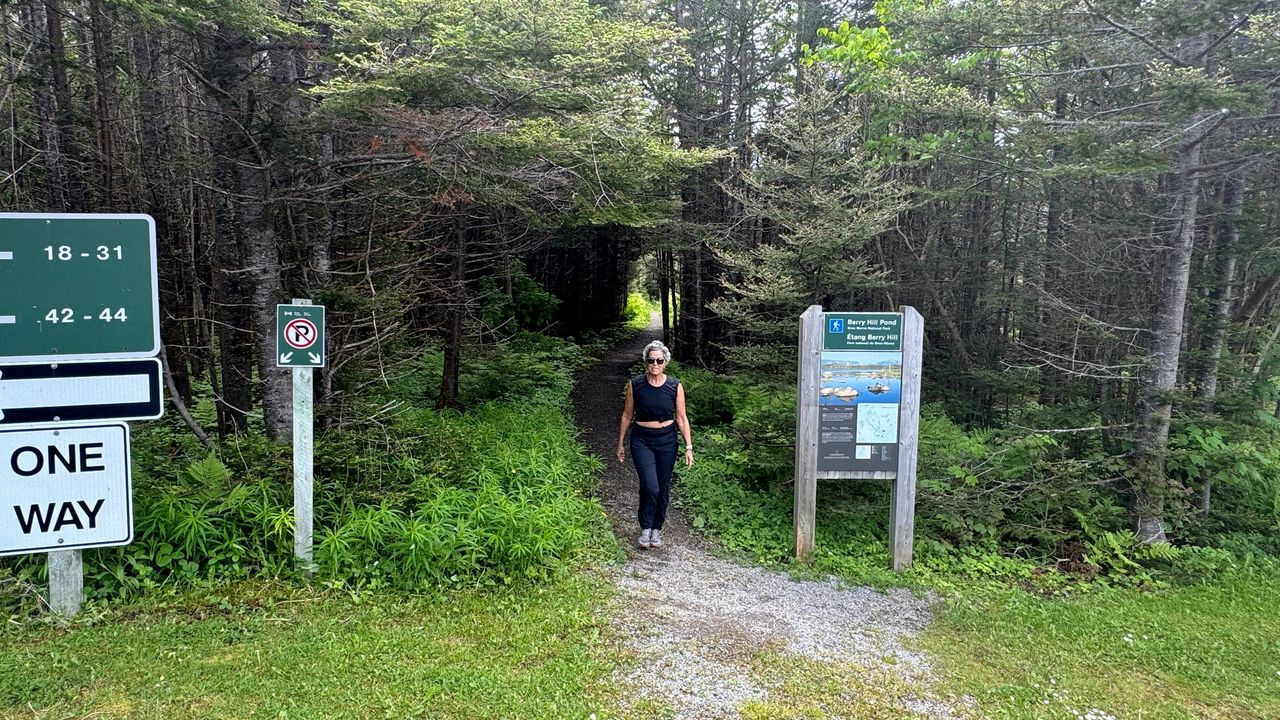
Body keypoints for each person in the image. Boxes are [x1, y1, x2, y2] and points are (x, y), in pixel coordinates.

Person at [616, 340, 693, 549]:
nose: (655, 364)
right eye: (651, 360)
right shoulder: (636, 385)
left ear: (665, 362)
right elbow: (626, 415)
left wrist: (688, 447)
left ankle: (656, 528)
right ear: (646, 362)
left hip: (667, 440)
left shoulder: (674, 386)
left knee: (663, 486)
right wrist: (620, 443)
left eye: (659, 360)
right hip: (642, 439)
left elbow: (682, 418)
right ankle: (645, 527)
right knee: (650, 486)